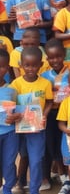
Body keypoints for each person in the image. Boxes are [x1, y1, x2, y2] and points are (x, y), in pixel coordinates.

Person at [10, 46, 53, 194]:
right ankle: (18, 182)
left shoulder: (45, 84)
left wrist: (45, 114)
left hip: (37, 129)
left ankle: (34, 190)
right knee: (21, 157)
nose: (30, 68)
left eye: (34, 65)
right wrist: (15, 114)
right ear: (21, 65)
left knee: (36, 161)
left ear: (40, 65)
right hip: (19, 129)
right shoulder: (15, 84)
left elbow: (49, 102)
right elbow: (10, 105)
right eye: (27, 65)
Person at [41, 38, 70, 191]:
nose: (55, 60)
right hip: (51, 114)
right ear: (47, 59)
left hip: (66, 114)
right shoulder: (45, 76)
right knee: (52, 144)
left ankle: (67, 174)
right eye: (51, 57)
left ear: (64, 55)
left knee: (64, 143)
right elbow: (44, 97)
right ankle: (60, 172)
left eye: (58, 56)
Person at [0, 49, 20, 194]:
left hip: (10, 134)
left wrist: (15, 116)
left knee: (9, 162)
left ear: (7, 68)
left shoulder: (12, 89)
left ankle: (8, 188)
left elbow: (21, 111)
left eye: (1, 66)